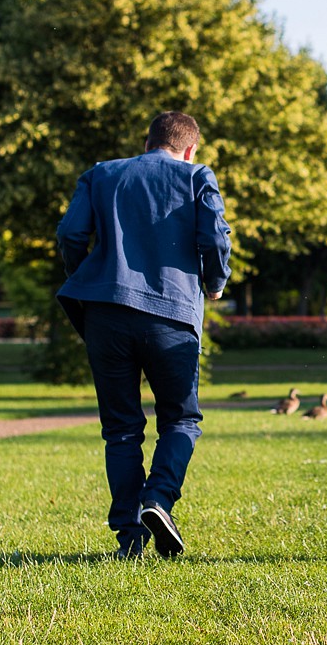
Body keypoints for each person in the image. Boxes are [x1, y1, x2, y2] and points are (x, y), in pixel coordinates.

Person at [55, 111, 231, 560]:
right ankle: (159, 499)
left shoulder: (101, 174)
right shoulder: (197, 176)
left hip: (105, 315)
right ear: (189, 149)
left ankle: (129, 537)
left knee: (120, 429)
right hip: (171, 315)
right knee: (181, 420)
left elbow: (71, 233)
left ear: (147, 141)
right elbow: (213, 238)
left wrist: (90, 279)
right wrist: (216, 281)